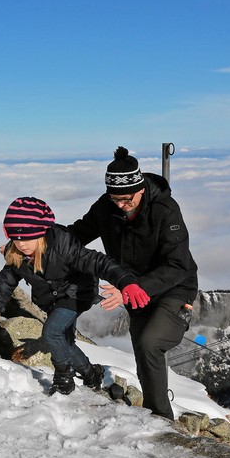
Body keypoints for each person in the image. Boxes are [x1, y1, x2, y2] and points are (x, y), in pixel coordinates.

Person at [0, 196, 151, 395]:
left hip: (76, 294)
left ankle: (63, 377)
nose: (22, 244)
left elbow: (98, 261)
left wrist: (126, 281)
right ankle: (91, 373)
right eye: (16, 237)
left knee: (51, 332)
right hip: (51, 300)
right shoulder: (18, 258)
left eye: (28, 237)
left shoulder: (62, 245)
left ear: (41, 232)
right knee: (63, 341)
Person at [68, 146, 198, 420]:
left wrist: (136, 288)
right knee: (142, 348)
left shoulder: (165, 210)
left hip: (173, 288)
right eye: (115, 199)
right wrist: (38, 240)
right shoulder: (107, 207)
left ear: (140, 189)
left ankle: (162, 420)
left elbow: (177, 265)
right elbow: (78, 233)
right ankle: (155, 412)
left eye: (127, 199)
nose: (121, 205)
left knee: (150, 342)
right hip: (131, 288)